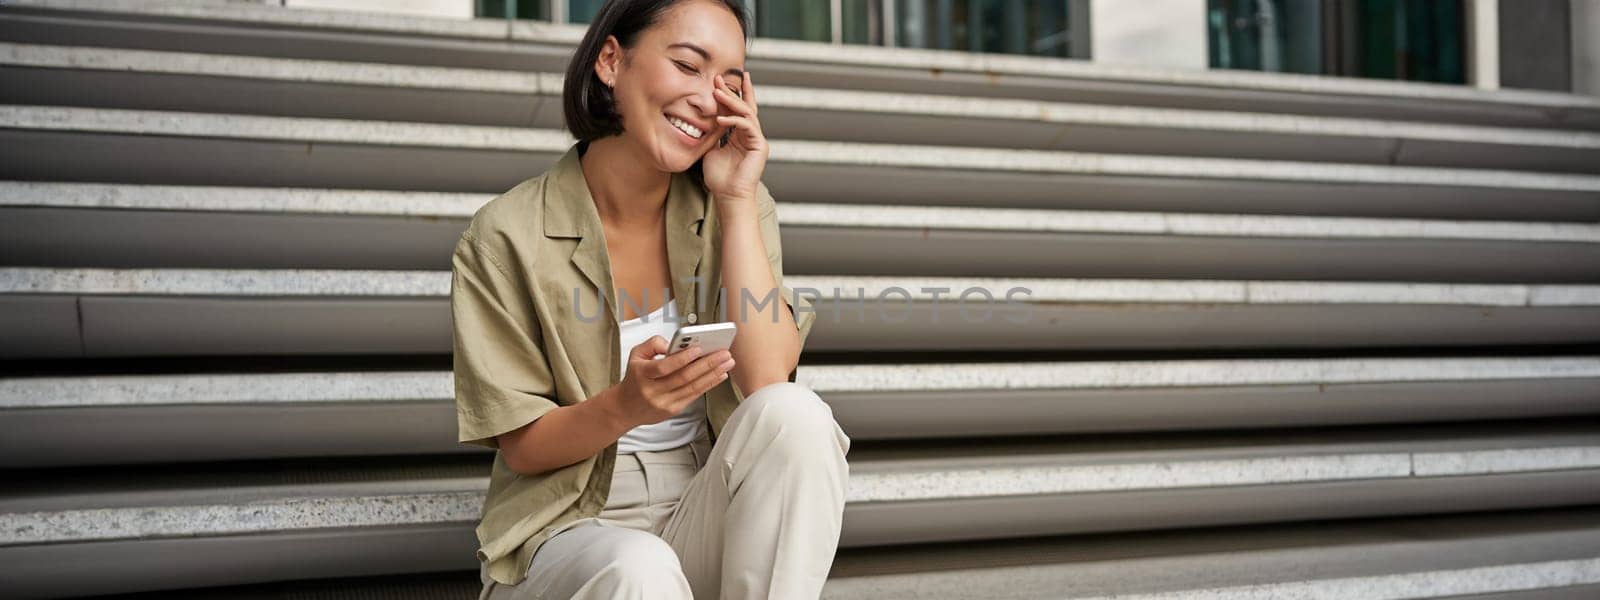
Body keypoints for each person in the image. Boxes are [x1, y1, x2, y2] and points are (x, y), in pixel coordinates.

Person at [450, 0, 852, 598]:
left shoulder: (736, 205)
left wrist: (737, 200)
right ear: (612, 61)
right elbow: (524, 447)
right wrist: (628, 405)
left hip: (701, 502)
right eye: (688, 66)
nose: (708, 97)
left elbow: (769, 384)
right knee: (638, 567)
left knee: (799, 418)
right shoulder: (506, 234)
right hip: (568, 530)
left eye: (728, 81)